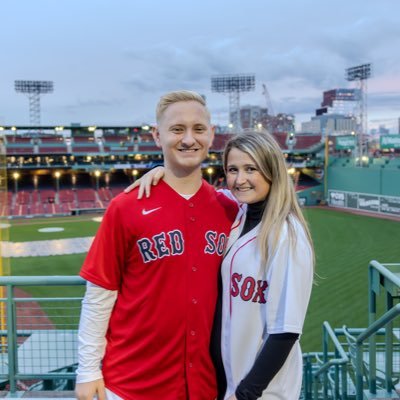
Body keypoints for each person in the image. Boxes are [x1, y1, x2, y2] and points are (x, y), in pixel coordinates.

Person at [75, 90, 238, 400]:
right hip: (131, 385)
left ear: (212, 135)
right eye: (177, 129)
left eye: (199, 129)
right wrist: (87, 369)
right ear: (156, 135)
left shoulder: (230, 210)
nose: (189, 139)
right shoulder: (126, 207)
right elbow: (99, 295)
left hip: (204, 385)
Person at [128, 130, 314, 400]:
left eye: (251, 169)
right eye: (232, 169)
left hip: (263, 390)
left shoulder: (287, 236)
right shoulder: (235, 210)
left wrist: (246, 393)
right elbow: (194, 190)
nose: (240, 180)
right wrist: (159, 174)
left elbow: (285, 331)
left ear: (272, 171)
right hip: (225, 381)